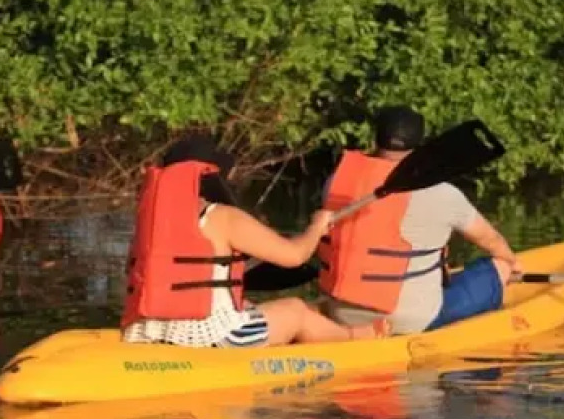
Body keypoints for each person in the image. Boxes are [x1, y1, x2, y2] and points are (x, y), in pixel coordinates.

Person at [121, 135, 388, 349]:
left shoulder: (150, 222)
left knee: (267, 308)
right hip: (214, 339)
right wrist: (316, 228)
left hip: (146, 332)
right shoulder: (221, 216)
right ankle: (360, 340)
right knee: (295, 310)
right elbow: (294, 256)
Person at [318, 106, 519, 336]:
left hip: (341, 314)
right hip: (410, 321)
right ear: (423, 144)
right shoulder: (443, 193)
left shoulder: (336, 182)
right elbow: (489, 239)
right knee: (500, 267)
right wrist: (513, 264)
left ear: (376, 138)